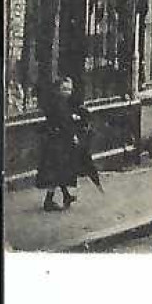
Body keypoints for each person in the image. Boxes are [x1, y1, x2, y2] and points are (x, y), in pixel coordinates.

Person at [37, 78, 86, 211]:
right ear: (58, 89)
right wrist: (73, 134)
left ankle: (66, 195)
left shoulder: (59, 101)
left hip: (56, 139)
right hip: (58, 140)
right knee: (57, 170)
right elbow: (63, 122)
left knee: (60, 169)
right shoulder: (59, 103)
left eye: (69, 89)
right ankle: (48, 201)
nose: (68, 92)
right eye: (64, 89)